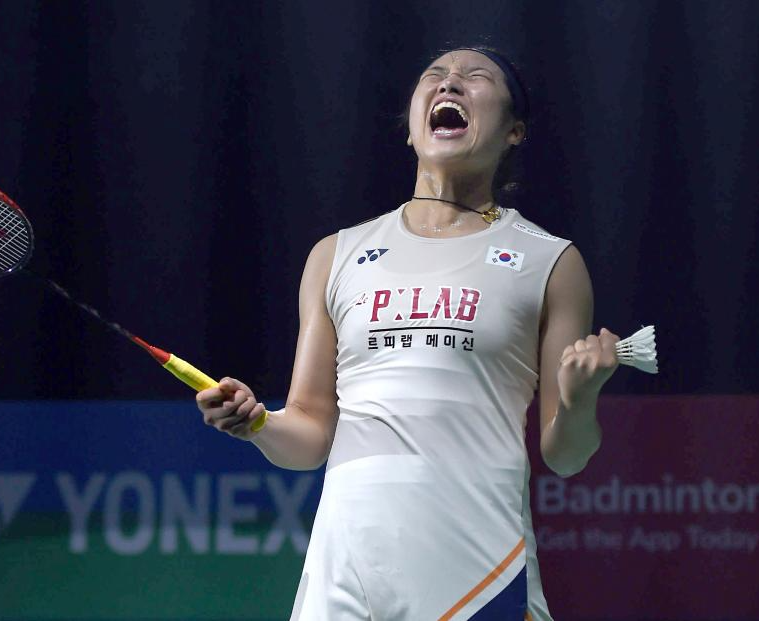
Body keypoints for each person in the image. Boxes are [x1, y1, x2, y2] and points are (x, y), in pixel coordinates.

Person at [196, 47, 620, 621]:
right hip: (346, 565)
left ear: (514, 131)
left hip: (477, 571)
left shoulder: (549, 262)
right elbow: (310, 434)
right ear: (412, 127)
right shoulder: (335, 256)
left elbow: (566, 457)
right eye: (435, 76)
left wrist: (579, 400)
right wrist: (258, 424)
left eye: (475, 77)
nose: (451, 83)